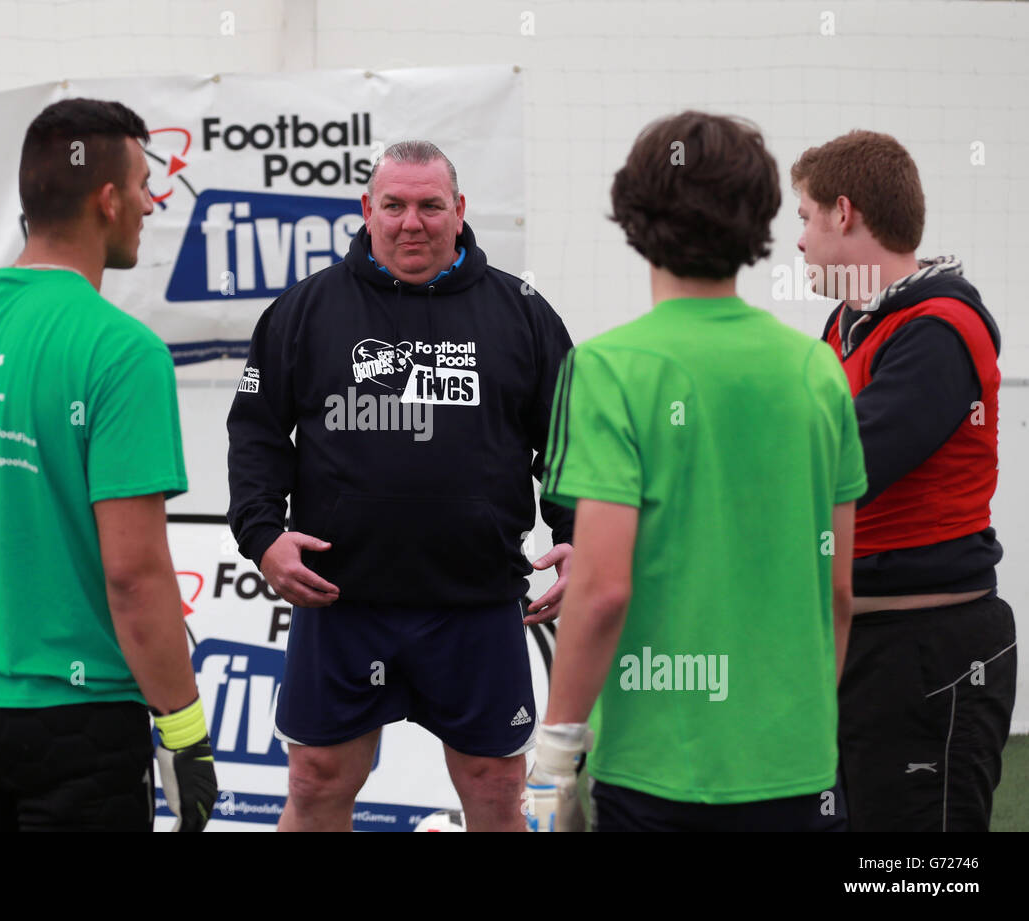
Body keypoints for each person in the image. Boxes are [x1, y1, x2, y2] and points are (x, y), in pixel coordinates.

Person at [227, 139, 576, 832]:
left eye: (429, 205)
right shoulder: (304, 309)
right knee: (315, 778)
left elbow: (571, 442)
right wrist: (262, 535)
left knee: (496, 785)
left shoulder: (523, 311)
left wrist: (575, 535)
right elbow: (257, 432)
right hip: (341, 600)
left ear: (460, 210)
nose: (411, 222)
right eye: (394, 205)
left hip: (476, 603)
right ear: (366, 209)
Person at [0, 98, 216, 831]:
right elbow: (134, 574)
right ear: (107, 199)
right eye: (141, 187)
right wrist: (186, 732)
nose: (149, 205)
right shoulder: (121, 350)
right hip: (79, 722)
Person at [536, 111, 863, 831]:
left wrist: (557, 748)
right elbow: (838, 587)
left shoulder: (607, 368)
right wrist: (802, 724)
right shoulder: (818, 368)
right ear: (763, 218)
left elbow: (600, 589)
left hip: (660, 766)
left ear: (632, 213)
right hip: (800, 766)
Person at [793, 130, 1016, 832]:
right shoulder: (845, 324)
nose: (797, 240)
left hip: (927, 651)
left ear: (844, 212)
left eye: (803, 216)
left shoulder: (939, 329)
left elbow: (838, 467)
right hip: (858, 641)